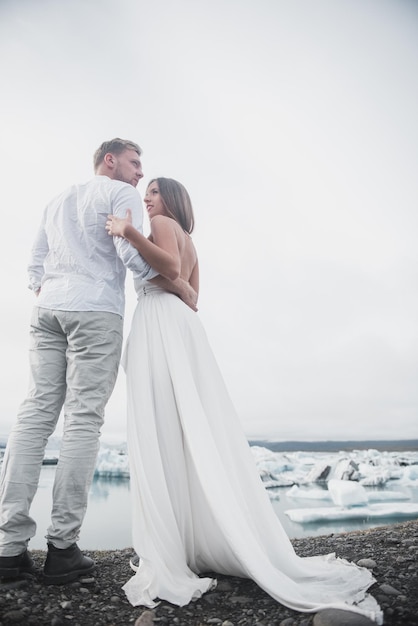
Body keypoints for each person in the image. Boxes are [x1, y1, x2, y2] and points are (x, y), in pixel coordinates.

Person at [104, 178, 383, 624]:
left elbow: (172, 271)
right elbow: (193, 296)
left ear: (170, 200)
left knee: (161, 428)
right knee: (191, 426)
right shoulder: (190, 237)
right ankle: (198, 538)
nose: (146, 198)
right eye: (147, 192)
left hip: (160, 323)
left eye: (153, 191)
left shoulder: (158, 223)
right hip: (183, 327)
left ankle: (174, 548)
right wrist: (167, 274)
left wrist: (128, 231)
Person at [0, 140, 196, 585]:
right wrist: (173, 282)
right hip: (95, 311)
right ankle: (62, 549)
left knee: (34, 416)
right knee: (84, 420)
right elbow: (129, 254)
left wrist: (43, 287)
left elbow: (34, 258)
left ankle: (8, 553)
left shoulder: (57, 200)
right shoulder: (119, 194)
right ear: (110, 159)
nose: (139, 175)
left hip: (48, 309)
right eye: (134, 163)